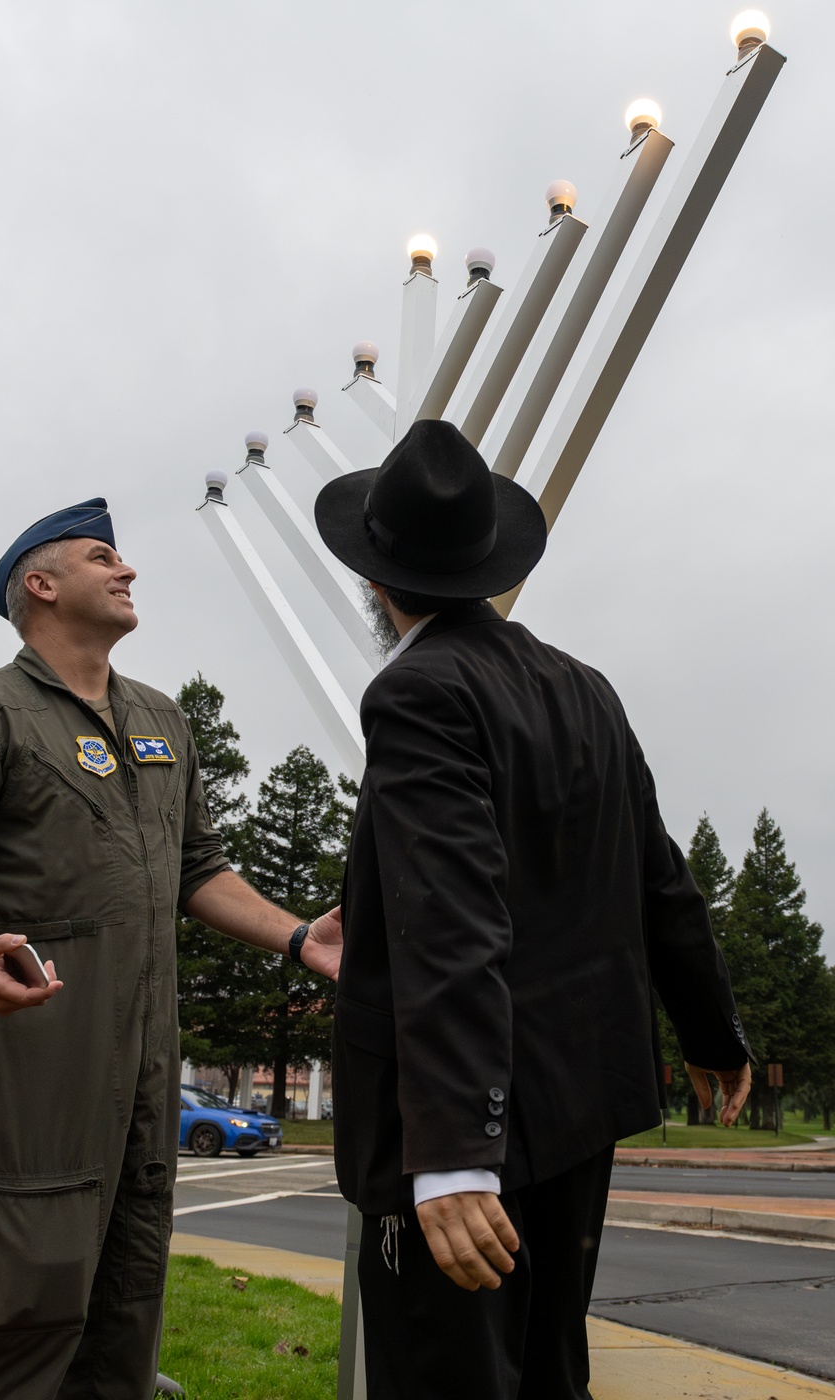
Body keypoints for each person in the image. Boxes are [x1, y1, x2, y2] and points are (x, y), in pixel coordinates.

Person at [313, 421, 752, 1400]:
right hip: (578, 1106)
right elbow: (659, 875)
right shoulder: (582, 687)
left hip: (463, 1126)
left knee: (445, 1377)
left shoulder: (416, 690)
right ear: (483, 564)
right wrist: (711, 1027)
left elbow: (453, 914)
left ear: (375, 582)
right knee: (549, 1369)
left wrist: (453, 1153)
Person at [0, 497, 341, 1400]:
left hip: (143, 1078)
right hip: (29, 1066)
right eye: (104, 557)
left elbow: (197, 866)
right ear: (40, 585)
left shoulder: (161, 718)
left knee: (124, 1319)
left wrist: (296, 936)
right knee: (4, 1319)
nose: (128, 571)